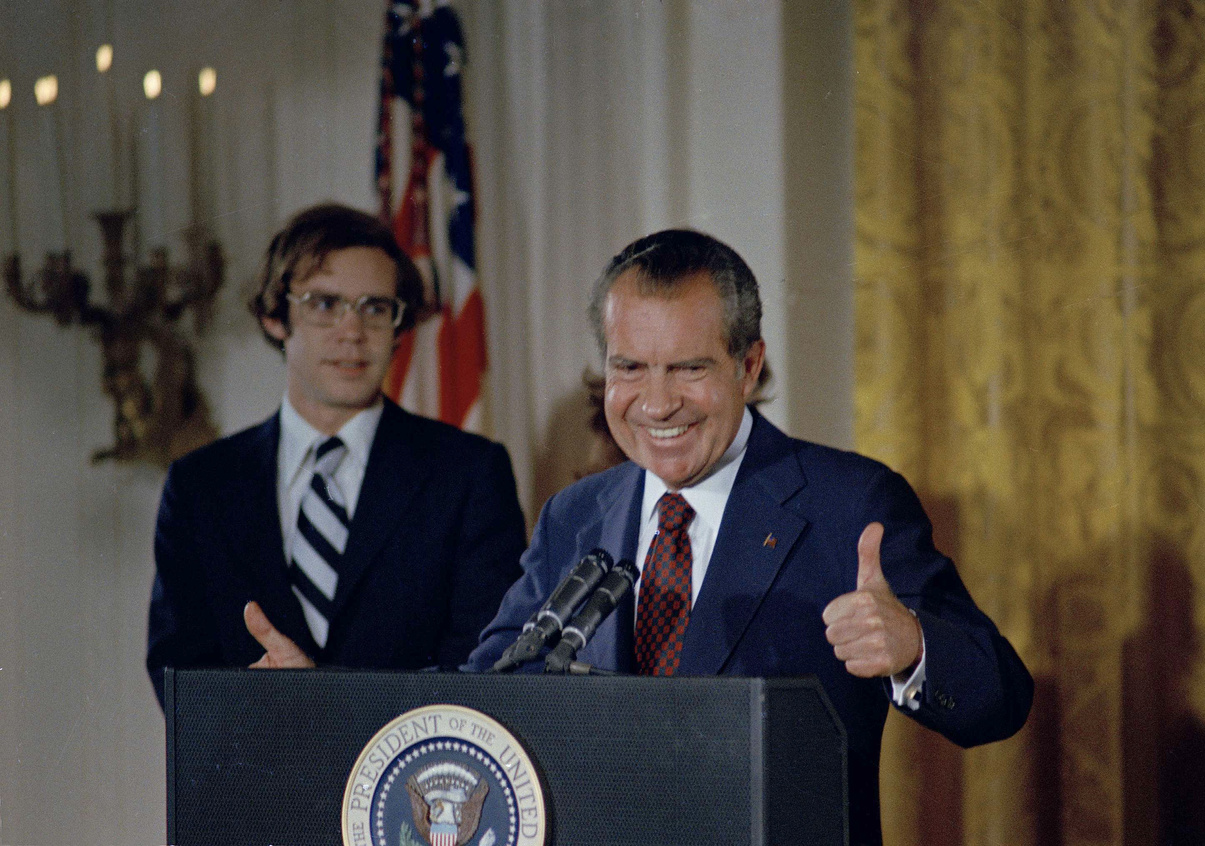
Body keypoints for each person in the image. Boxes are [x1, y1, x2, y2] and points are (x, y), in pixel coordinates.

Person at [462, 229, 1034, 845]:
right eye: (630, 367)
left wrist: (914, 647)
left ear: (748, 366)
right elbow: (485, 693)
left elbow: (1000, 699)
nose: (656, 404)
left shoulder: (847, 504)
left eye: (688, 368)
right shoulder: (574, 516)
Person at [146, 203, 527, 706]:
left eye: (375, 308)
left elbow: (487, 669)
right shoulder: (201, 485)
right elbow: (176, 672)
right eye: (325, 304)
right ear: (275, 316)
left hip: (411, 782)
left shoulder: (469, 475)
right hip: (257, 777)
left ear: (398, 326)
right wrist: (248, 707)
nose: (352, 332)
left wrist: (328, 710)